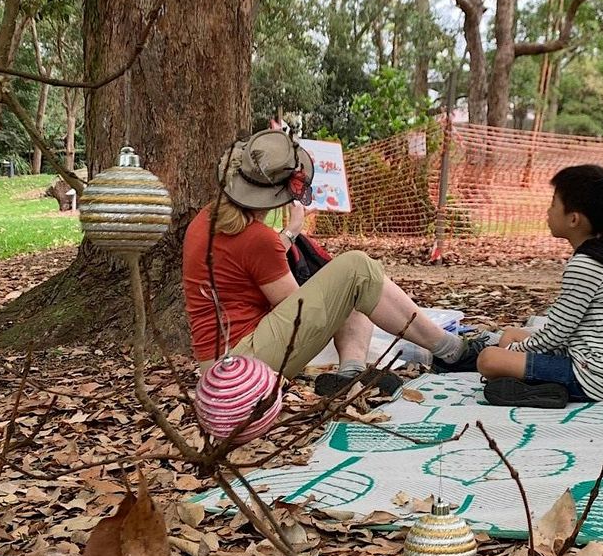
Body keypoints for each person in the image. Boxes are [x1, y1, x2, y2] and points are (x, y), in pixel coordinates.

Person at [181, 130, 486, 396]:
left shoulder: (206, 220)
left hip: (218, 364)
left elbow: (247, 266)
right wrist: (293, 232)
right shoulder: (258, 238)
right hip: (242, 366)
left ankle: (350, 371)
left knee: (349, 287)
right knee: (357, 269)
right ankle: (451, 350)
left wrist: (290, 239)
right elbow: (297, 311)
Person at [476, 165, 603, 408]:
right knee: (509, 334)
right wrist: (517, 347)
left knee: (489, 359)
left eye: (553, 204)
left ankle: (548, 391)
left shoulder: (586, 265)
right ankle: (535, 383)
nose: (547, 211)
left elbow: (557, 332)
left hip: (593, 377)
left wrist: (516, 351)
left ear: (574, 219)